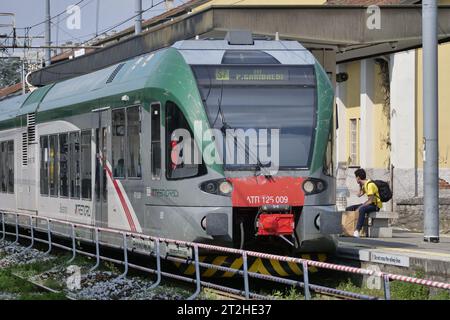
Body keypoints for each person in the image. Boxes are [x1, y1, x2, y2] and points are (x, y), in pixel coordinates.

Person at [346, 168, 382, 238]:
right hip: (370, 204)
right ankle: (348, 229)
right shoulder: (365, 184)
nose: (355, 179)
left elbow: (370, 201)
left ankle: (357, 231)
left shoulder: (370, 185)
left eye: (356, 177)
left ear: (358, 177)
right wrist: (360, 185)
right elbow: (359, 195)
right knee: (349, 208)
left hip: (375, 206)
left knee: (361, 209)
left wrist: (360, 207)